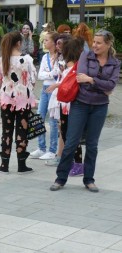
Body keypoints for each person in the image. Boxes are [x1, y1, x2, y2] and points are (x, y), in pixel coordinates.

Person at [50, 30, 121, 193]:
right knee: (71, 142)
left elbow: (111, 86)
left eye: (98, 43)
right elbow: (80, 79)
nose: (94, 45)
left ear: (108, 44)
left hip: (100, 106)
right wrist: (99, 85)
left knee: (92, 144)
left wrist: (91, 80)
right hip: (80, 103)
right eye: (94, 42)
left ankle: (89, 179)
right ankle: (60, 178)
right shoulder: (85, 56)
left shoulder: (114, 63)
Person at [0, 31, 37, 174]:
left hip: (6, 99)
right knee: (22, 130)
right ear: (19, 43)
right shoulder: (28, 60)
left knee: (6, 131)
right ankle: (21, 163)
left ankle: (4, 163)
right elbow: (33, 80)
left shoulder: (1, 60)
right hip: (23, 100)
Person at [45, 38, 85, 176]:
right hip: (64, 104)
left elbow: (69, 85)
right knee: (66, 134)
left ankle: (78, 164)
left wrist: (56, 85)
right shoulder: (71, 67)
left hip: (69, 105)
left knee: (71, 136)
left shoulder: (73, 68)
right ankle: (74, 163)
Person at [29, 32, 59, 160]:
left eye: (47, 40)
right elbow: (40, 75)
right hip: (45, 89)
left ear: (54, 42)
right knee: (39, 116)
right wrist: (50, 74)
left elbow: (57, 73)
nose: (44, 42)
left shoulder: (60, 57)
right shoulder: (45, 56)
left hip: (55, 89)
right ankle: (41, 147)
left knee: (53, 120)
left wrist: (50, 73)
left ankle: (52, 150)